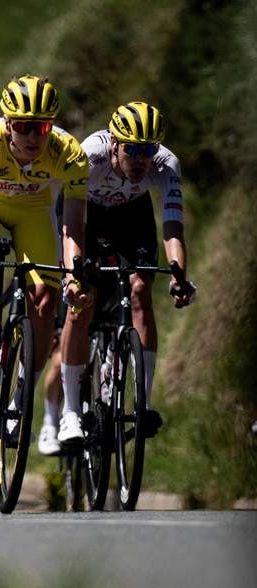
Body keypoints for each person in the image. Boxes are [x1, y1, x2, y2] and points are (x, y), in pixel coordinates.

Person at [0, 76, 90, 433]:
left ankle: (21, 397)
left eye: (42, 127)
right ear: (8, 124)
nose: (33, 137)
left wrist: (73, 274)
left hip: (32, 208)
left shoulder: (70, 154)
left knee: (45, 299)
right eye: (24, 127)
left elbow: (72, 223)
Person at [51, 102, 196, 450]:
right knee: (83, 302)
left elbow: (173, 226)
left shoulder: (165, 164)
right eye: (133, 149)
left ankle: (143, 403)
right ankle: (70, 411)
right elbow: (73, 221)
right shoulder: (90, 156)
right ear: (115, 144)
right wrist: (73, 275)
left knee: (141, 294)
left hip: (132, 216)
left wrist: (179, 276)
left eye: (149, 150)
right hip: (85, 215)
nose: (141, 159)